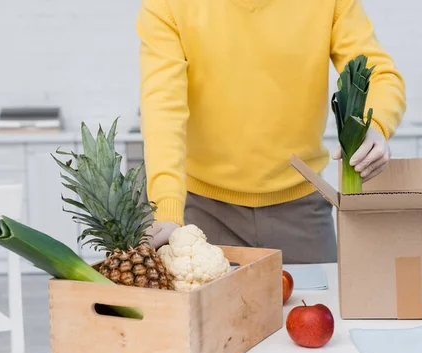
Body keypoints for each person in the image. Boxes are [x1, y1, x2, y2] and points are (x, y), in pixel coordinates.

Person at [137, 0, 406, 264]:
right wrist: (168, 208)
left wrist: (375, 124)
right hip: (202, 213)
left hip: (303, 210)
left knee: (323, 307)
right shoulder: (167, 5)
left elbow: (380, 74)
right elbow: (163, 107)